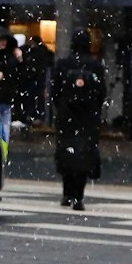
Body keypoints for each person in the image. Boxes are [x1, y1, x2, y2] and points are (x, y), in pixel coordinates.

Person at [50, 31, 105, 211]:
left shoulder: (63, 64)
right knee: (84, 153)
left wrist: (62, 105)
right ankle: (78, 196)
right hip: (88, 116)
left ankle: (66, 192)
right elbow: (101, 91)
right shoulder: (95, 65)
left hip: (67, 115)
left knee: (67, 150)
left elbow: (55, 91)